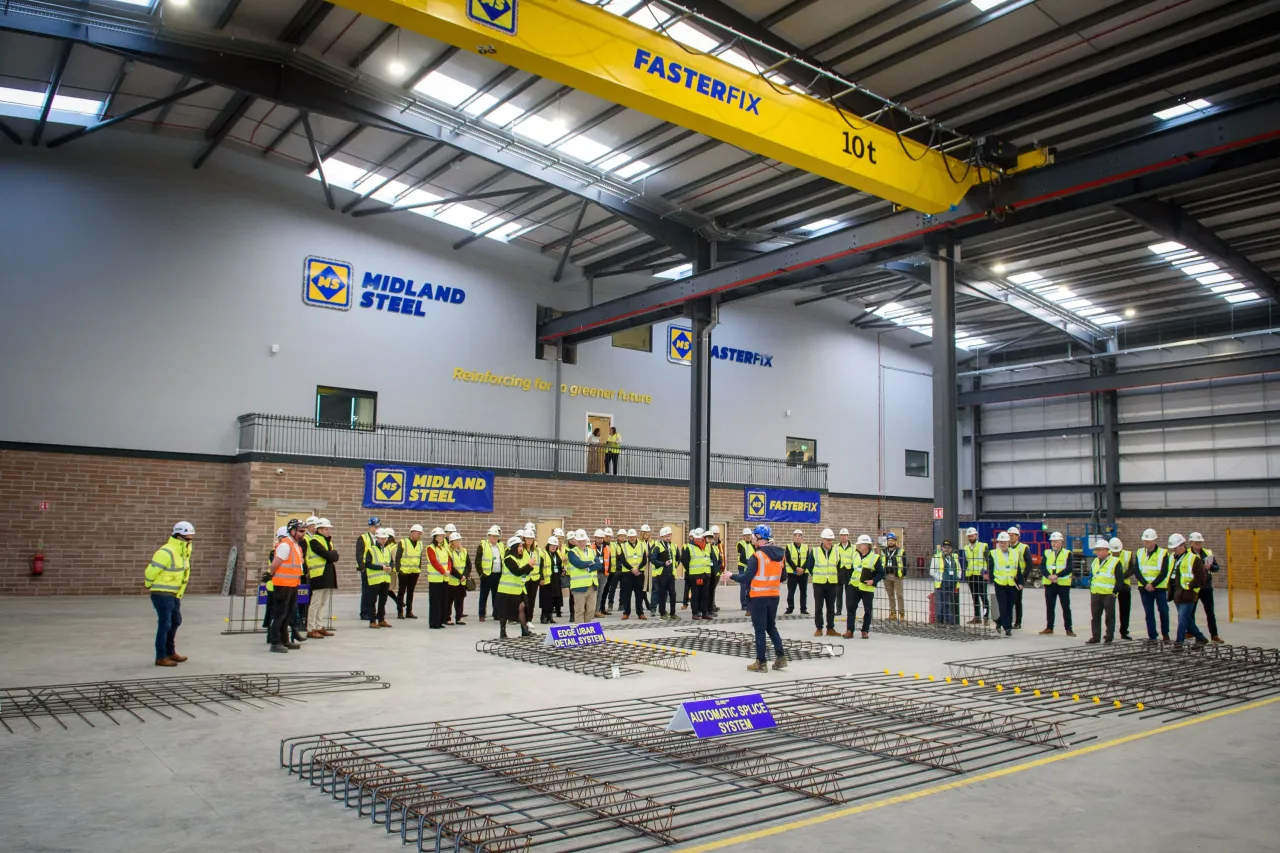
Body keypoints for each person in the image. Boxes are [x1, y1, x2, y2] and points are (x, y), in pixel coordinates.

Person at [737, 525, 787, 673]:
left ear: (760, 538)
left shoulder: (757, 556)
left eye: (754, 536)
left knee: (759, 629)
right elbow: (783, 577)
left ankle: (761, 662)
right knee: (771, 627)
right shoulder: (780, 555)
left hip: (759, 597)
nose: (752, 538)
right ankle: (780, 658)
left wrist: (731, 576)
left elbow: (746, 578)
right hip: (774, 596)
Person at [145, 520, 194, 666]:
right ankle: (161, 656)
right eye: (187, 538)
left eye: (191, 538)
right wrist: (149, 585)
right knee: (165, 624)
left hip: (174, 594)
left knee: (175, 621)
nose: (190, 541)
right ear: (178, 536)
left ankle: (170, 652)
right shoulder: (166, 552)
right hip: (162, 593)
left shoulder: (183, 552)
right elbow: (150, 571)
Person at [268, 519, 307, 651]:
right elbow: (275, 564)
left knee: (287, 614)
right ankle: (275, 642)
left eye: (304, 531)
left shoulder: (296, 546)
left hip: (292, 585)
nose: (303, 533)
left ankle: (285, 640)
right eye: (301, 531)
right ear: (293, 531)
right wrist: (271, 575)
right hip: (282, 585)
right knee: (280, 614)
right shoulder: (286, 546)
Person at [1168, 533, 1210, 648]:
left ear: (1182, 546)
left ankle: (1179, 643)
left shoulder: (1193, 558)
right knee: (1187, 620)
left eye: (1175, 548)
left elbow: (1201, 577)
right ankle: (1201, 638)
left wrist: (1190, 586)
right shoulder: (1172, 557)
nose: (1174, 550)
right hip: (1177, 593)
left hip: (1188, 594)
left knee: (1182, 620)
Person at [1134, 528, 1171, 644]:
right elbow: (1137, 570)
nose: (1146, 543)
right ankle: (1152, 636)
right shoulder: (1140, 552)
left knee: (1164, 611)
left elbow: (1164, 571)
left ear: (1154, 540)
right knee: (1149, 613)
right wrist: (1146, 584)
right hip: (1144, 589)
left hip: (1159, 588)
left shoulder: (1163, 553)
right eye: (1145, 541)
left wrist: (1153, 584)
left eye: (1148, 541)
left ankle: (1165, 634)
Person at [1187, 533, 1225, 643]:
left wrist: (1210, 566)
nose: (1198, 544)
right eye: (1196, 542)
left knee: (1210, 612)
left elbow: (1216, 568)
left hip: (1206, 587)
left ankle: (1214, 635)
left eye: (1199, 542)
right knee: (1190, 611)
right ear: (1191, 543)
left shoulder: (1208, 553)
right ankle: (1190, 632)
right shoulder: (1187, 554)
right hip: (1194, 586)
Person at [305, 518, 339, 637]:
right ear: (319, 529)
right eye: (325, 529)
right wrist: (332, 554)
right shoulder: (314, 541)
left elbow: (334, 556)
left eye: (328, 529)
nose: (328, 531)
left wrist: (332, 555)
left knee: (322, 603)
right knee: (315, 603)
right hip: (319, 575)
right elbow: (327, 555)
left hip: (327, 574)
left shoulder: (327, 541)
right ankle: (310, 628)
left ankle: (319, 626)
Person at [497, 535, 535, 639]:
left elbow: (523, 573)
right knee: (504, 612)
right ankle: (502, 631)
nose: (521, 549)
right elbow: (517, 572)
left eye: (521, 547)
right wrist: (528, 566)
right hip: (507, 590)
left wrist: (530, 567)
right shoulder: (509, 559)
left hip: (519, 589)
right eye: (519, 546)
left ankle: (524, 630)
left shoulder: (519, 558)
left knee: (522, 608)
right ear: (513, 547)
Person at [844, 534, 880, 639]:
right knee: (851, 608)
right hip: (854, 586)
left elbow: (881, 573)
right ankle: (849, 630)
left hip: (867, 588)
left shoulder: (875, 558)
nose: (858, 546)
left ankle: (865, 630)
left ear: (866, 545)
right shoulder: (855, 555)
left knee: (868, 610)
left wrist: (873, 581)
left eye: (860, 544)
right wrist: (849, 581)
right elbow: (852, 569)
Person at [1039, 532, 1075, 636]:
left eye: (1056, 542)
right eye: (1052, 542)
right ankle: (1049, 627)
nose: (1054, 544)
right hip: (1050, 584)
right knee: (1050, 606)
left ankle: (1069, 628)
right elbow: (1042, 567)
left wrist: (1057, 576)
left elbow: (1069, 568)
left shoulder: (1067, 553)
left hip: (1063, 584)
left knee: (1066, 607)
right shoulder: (1046, 553)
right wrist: (1049, 576)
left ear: (1061, 542)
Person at [1085, 538, 1121, 645]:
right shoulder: (1095, 561)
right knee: (1095, 616)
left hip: (1108, 594)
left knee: (1109, 617)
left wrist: (1114, 592)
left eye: (1099, 550)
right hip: (1095, 593)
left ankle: (1109, 637)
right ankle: (1095, 637)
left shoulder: (1115, 562)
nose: (1097, 552)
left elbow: (1120, 580)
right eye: (1097, 550)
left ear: (1106, 550)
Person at [989, 531, 1023, 637]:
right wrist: (992, 579)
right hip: (1000, 583)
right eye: (1000, 542)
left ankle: (999, 622)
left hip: (1012, 583)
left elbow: (1018, 569)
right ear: (998, 543)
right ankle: (1007, 627)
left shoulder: (1015, 553)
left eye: (1004, 542)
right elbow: (990, 569)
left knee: (1009, 606)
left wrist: (1021, 582)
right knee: (1003, 606)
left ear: (1008, 542)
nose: (1002, 544)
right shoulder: (993, 553)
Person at [810, 528, 841, 636]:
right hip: (819, 584)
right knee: (819, 607)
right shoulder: (815, 551)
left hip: (832, 583)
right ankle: (819, 628)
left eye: (831, 540)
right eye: (828, 539)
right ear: (822, 539)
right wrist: (818, 575)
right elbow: (810, 566)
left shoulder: (836, 551)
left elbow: (839, 565)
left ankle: (830, 628)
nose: (830, 542)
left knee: (831, 607)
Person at [362, 528, 394, 629]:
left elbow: (391, 561)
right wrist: (381, 568)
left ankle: (381, 619)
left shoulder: (387, 549)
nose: (384, 540)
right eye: (381, 538)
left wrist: (391, 567)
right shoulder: (371, 550)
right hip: (374, 579)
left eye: (385, 538)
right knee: (372, 601)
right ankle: (372, 621)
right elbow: (367, 564)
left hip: (385, 579)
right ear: (377, 538)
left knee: (383, 601)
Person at [681, 528, 714, 619]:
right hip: (695, 575)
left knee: (705, 594)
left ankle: (705, 612)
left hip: (706, 574)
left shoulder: (708, 546)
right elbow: (685, 561)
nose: (698, 539)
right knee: (695, 595)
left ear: (703, 537)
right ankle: (695, 613)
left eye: (700, 537)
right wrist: (691, 571)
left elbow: (710, 558)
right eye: (696, 538)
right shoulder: (688, 547)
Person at [567, 530, 599, 623]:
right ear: (576, 541)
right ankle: (580, 631)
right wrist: (591, 563)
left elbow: (599, 565)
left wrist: (589, 568)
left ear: (586, 540)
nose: (582, 543)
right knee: (580, 611)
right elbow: (579, 564)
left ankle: (586, 628)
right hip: (578, 586)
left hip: (592, 585)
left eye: (583, 541)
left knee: (591, 610)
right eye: (579, 541)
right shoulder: (572, 552)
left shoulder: (591, 551)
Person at [393, 524, 423, 620]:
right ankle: (400, 611)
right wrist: (399, 569)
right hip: (404, 572)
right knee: (401, 592)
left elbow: (419, 557)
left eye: (420, 534)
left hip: (414, 572)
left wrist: (419, 569)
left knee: (411, 592)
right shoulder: (403, 542)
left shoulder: (420, 544)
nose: (419, 535)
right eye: (418, 533)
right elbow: (398, 557)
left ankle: (409, 611)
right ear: (412, 532)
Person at [930, 540, 963, 625]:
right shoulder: (936, 557)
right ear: (942, 548)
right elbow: (931, 571)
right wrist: (941, 578)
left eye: (948, 548)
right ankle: (948, 621)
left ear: (951, 549)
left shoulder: (954, 557)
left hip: (952, 583)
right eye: (944, 547)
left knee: (948, 603)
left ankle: (943, 620)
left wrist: (958, 577)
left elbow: (959, 568)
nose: (946, 549)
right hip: (941, 584)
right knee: (944, 603)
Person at [475, 525, 503, 623]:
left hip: (497, 574)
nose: (495, 538)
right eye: (493, 536)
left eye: (496, 536)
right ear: (488, 536)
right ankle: (482, 614)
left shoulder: (501, 545)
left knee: (496, 595)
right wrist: (481, 574)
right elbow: (477, 561)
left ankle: (496, 614)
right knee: (484, 595)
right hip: (487, 575)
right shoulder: (483, 545)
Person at [962, 527, 990, 624]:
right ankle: (977, 617)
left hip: (981, 575)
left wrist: (987, 573)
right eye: (969, 536)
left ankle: (986, 617)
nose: (970, 537)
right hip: (971, 575)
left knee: (983, 597)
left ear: (976, 535)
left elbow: (988, 560)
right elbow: (966, 561)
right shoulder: (966, 548)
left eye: (972, 536)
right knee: (975, 597)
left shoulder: (983, 546)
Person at [618, 529, 648, 620]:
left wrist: (637, 569)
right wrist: (632, 569)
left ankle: (640, 613)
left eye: (633, 536)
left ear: (636, 536)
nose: (632, 538)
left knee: (639, 594)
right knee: (626, 594)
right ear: (628, 537)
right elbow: (623, 560)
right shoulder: (623, 546)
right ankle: (626, 613)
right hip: (627, 573)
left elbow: (644, 560)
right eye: (630, 537)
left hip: (639, 573)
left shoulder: (643, 545)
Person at [425, 527, 451, 629]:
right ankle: (434, 622)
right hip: (435, 579)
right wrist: (443, 571)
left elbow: (449, 560)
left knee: (442, 601)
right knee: (435, 601)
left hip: (444, 578)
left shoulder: (445, 547)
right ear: (434, 537)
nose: (441, 538)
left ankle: (440, 621)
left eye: (442, 536)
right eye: (439, 536)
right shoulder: (430, 548)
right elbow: (434, 561)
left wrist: (448, 570)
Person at [649, 526, 677, 619]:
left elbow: (678, 557)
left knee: (673, 593)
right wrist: (663, 564)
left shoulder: (673, 545)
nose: (667, 537)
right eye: (665, 536)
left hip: (671, 573)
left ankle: (673, 613)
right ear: (661, 537)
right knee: (662, 593)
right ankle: (662, 613)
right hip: (661, 574)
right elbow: (653, 559)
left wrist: (675, 566)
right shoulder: (658, 546)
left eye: (669, 535)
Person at [355, 517, 379, 622]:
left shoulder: (379, 537)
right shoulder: (363, 538)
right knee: (366, 591)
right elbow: (359, 554)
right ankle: (364, 612)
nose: (376, 528)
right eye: (374, 526)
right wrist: (362, 567)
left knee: (374, 592)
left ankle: (372, 612)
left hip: (376, 568)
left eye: (378, 526)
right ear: (370, 526)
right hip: (367, 568)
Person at [784, 529, 813, 615]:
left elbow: (808, 559)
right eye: (795, 535)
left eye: (799, 536)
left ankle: (803, 609)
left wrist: (802, 569)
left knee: (803, 592)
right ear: (793, 537)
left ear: (802, 538)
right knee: (791, 591)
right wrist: (796, 568)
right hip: (792, 573)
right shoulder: (789, 546)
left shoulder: (806, 547)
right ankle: (790, 608)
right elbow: (788, 559)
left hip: (803, 573)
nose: (797, 537)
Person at [1007, 526, 1029, 629]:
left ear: (1017, 536)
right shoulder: (1006, 547)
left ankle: (1018, 621)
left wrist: (1023, 577)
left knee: (1017, 600)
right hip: (1008, 577)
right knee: (1008, 600)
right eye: (1008, 536)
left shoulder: (1023, 547)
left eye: (1012, 536)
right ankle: (1008, 620)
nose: (1010, 538)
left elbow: (1029, 564)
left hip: (1018, 578)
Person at [881, 532, 907, 621]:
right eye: (889, 540)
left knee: (899, 595)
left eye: (892, 540)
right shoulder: (883, 551)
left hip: (897, 576)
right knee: (890, 595)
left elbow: (905, 563)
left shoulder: (901, 551)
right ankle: (893, 613)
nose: (890, 542)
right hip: (887, 576)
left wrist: (903, 574)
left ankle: (901, 613)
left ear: (895, 541)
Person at [540, 535, 564, 623]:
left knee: (553, 599)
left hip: (555, 579)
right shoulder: (543, 554)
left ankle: (550, 616)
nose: (553, 547)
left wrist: (562, 570)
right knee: (546, 599)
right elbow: (540, 567)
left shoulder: (557, 554)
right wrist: (541, 578)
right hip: (546, 581)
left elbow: (559, 564)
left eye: (555, 546)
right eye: (551, 545)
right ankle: (544, 616)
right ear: (548, 545)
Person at [448, 531, 470, 625]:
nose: (458, 542)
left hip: (462, 581)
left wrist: (465, 575)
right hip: (452, 580)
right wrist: (460, 576)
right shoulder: (449, 551)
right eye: (455, 541)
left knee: (460, 600)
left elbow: (468, 565)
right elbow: (450, 567)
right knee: (449, 601)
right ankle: (447, 618)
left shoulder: (464, 551)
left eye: (459, 540)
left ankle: (459, 617)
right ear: (451, 542)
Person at [596, 528, 617, 617]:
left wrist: (609, 571)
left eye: (609, 536)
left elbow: (612, 559)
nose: (608, 538)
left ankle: (602, 608)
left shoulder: (611, 546)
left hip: (608, 572)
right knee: (597, 592)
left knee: (605, 591)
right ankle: (597, 609)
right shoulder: (598, 546)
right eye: (606, 536)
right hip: (598, 572)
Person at [835, 529, 854, 616]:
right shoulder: (836, 547)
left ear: (848, 536)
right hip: (839, 571)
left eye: (845, 535)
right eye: (841, 535)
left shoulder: (853, 547)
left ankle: (849, 610)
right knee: (838, 592)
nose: (843, 537)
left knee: (849, 593)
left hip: (849, 571)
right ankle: (838, 610)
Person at [735, 528, 755, 613]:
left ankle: (749, 603)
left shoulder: (753, 544)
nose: (748, 537)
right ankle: (744, 604)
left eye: (749, 535)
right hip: (742, 567)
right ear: (743, 536)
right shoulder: (740, 544)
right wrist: (750, 562)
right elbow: (742, 557)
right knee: (743, 586)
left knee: (750, 587)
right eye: (746, 535)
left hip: (751, 567)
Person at [707, 525, 724, 614]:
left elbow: (721, 556)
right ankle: (711, 606)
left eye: (717, 533)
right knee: (710, 588)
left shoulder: (720, 544)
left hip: (718, 569)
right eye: (714, 534)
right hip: (711, 570)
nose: (716, 535)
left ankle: (712, 605)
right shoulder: (709, 545)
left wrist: (722, 566)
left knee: (713, 588)